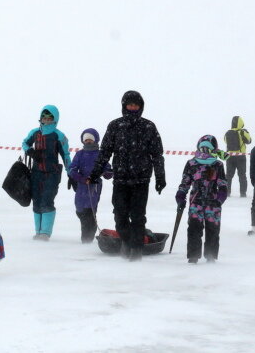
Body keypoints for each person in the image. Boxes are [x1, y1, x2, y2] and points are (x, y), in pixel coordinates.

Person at [88, 91, 165, 261]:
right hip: (121, 179)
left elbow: (157, 155)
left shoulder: (149, 127)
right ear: (124, 106)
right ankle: (128, 242)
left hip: (141, 180)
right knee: (120, 216)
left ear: (140, 107)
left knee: (138, 216)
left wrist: (160, 177)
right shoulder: (115, 126)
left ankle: (136, 251)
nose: (133, 108)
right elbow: (105, 152)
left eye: (136, 105)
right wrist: (95, 173)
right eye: (130, 105)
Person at [175, 135, 228, 264]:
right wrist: (181, 196)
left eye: (207, 148)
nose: (204, 151)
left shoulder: (217, 164)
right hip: (204, 203)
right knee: (202, 230)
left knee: (203, 230)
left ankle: (207, 255)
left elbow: (222, 186)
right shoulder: (192, 163)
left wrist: (221, 197)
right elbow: (185, 183)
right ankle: (196, 256)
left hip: (206, 203)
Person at [22, 105, 71, 241]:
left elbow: (66, 155)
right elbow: (24, 143)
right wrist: (30, 151)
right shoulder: (35, 132)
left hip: (52, 173)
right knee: (37, 201)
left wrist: (70, 173)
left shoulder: (59, 135)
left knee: (47, 200)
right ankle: (38, 232)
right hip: (36, 173)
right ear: (41, 118)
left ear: (55, 119)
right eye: (44, 117)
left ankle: (45, 233)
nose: (46, 120)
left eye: (50, 118)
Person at [67, 128, 113, 243]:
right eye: (86, 139)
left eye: (90, 139)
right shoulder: (79, 154)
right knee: (80, 210)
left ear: (95, 140)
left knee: (90, 212)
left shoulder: (100, 154)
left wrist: (106, 173)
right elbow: (72, 169)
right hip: (81, 186)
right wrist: (80, 178)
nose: (88, 141)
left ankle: (87, 239)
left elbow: (108, 171)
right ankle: (88, 231)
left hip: (94, 187)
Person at [223, 116, 252, 198]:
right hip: (240, 157)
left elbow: (225, 141)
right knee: (242, 175)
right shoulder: (242, 132)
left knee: (228, 175)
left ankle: (227, 192)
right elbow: (249, 141)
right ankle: (243, 193)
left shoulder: (227, 132)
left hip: (229, 156)